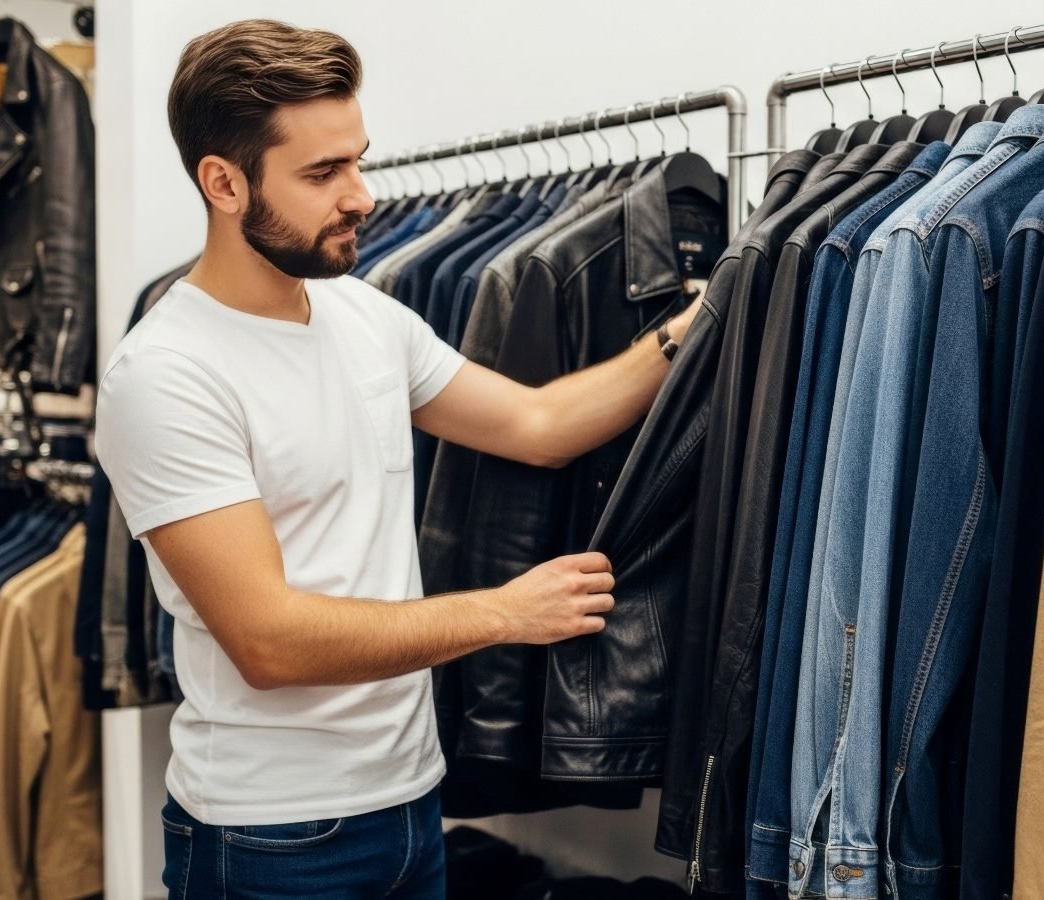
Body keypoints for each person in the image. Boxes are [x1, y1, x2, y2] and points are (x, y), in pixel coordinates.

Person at [94, 19, 702, 900]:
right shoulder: (166, 375)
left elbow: (538, 422)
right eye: (322, 174)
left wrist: (694, 327)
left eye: (357, 160)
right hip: (273, 838)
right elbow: (269, 641)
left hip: (412, 805)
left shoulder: (364, 318)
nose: (363, 196)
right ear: (222, 183)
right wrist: (504, 613)